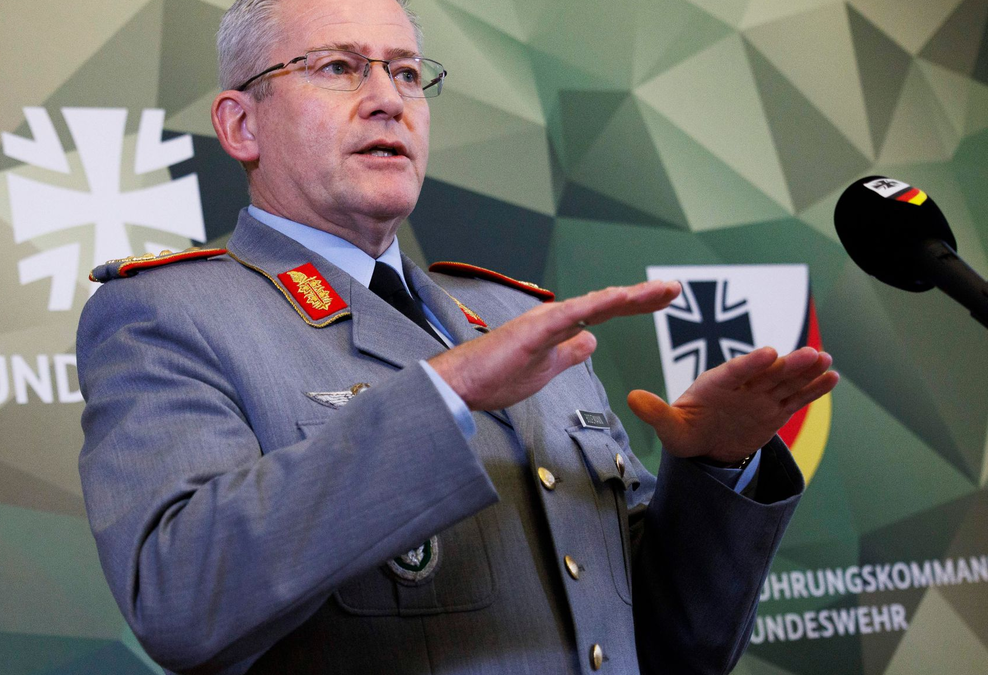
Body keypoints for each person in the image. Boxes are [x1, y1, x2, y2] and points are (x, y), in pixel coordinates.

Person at [75, 0, 839, 673]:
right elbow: (179, 601)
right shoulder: (172, 314)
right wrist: (445, 393)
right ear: (241, 124)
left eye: (408, 74)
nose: (386, 100)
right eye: (339, 67)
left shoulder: (511, 317)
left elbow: (674, 644)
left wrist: (716, 464)